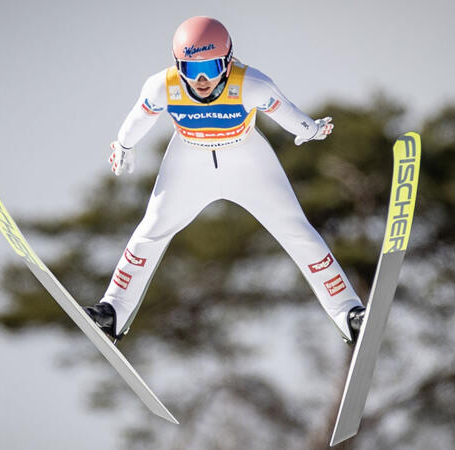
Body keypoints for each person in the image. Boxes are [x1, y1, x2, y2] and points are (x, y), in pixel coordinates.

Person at [84, 16, 365, 345]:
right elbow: (136, 120)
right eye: (190, 70)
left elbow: (289, 115)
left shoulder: (251, 84)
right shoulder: (163, 85)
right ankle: (112, 312)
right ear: (178, 65)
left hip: (247, 163)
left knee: (296, 230)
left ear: (228, 61)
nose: (201, 80)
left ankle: (349, 314)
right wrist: (124, 146)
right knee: (150, 231)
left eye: (212, 67)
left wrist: (311, 130)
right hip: (188, 165)